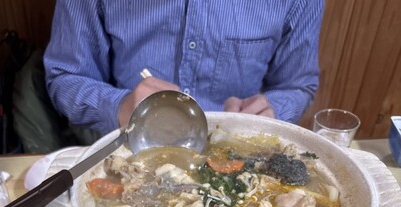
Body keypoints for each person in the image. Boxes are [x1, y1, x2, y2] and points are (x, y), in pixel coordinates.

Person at [43, 0, 324, 137]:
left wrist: (270, 111)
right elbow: (65, 76)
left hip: (234, 150)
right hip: (129, 147)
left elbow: (298, 85)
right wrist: (119, 107)